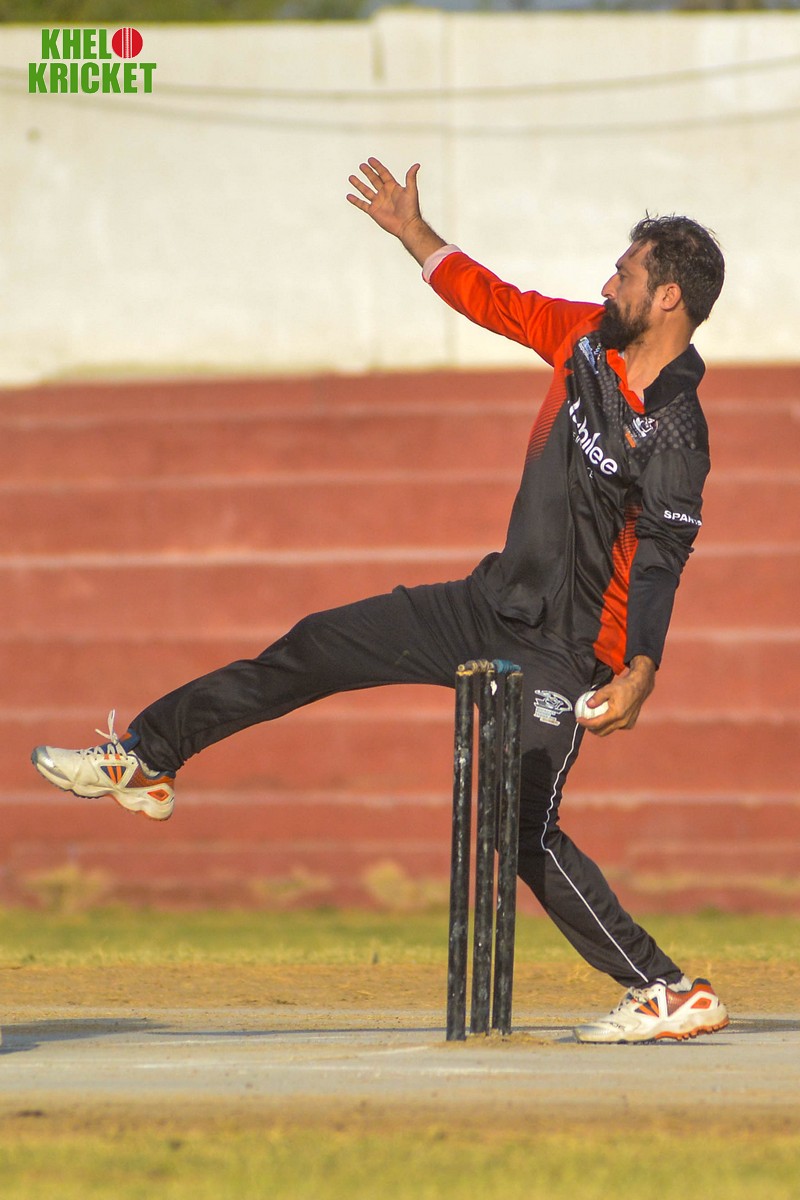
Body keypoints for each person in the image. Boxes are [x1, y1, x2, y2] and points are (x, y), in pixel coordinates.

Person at [32, 157, 728, 1044]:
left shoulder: (675, 428)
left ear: (667, 297)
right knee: (316, 644)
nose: (605, 284)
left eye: (623, 273)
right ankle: (148, 757)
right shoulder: (587, 337)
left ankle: (665, 990)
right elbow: (499, 301)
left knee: (521, 828)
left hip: (568, 649)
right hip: (485, 605)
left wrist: (641, 670)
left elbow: (665, 555)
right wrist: (415, 235)